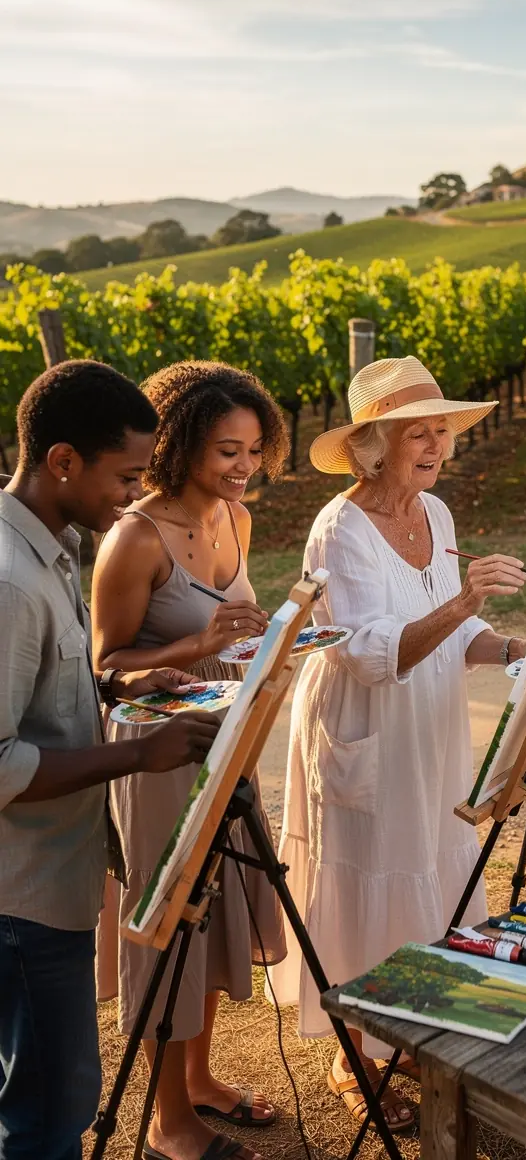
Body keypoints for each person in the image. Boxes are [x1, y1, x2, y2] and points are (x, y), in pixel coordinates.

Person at [272, 356, 526, 1130]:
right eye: (418, 432)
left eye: (443, 430)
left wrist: (516, 647)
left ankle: (407, 1025)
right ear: (373, 445)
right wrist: (463, 604)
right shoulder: (339, 527)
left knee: (429, 861)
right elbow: (368, 651)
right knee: (368, 878)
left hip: (429, 727)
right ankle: (354, 1054)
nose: (437, 445)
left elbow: (457, 632)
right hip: (367, 727)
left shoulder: (437, 513)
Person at [0, 360, 221, 1160]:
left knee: (51, 1094)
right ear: (64, 461)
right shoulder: (9, 580)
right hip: (21, 898)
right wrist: (139, 758)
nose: (135, 494)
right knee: (48, 1115)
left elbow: (35, 685)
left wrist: (111, 682)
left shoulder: (47, 546)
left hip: (47, 880)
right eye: (126, 475)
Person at [92, 362, 290, 1160]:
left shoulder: (234, 518)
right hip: (157, 746)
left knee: (210, 904)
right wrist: (199, 646)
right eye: (224, 452)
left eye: (252, 450)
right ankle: (170, 1121)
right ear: (177, 446)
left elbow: (231, 627)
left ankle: (201, 1080)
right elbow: (106, 665)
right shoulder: (133, 537)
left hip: (224, 727)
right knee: (166, 918)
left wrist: (274, 636)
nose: (242, 468)